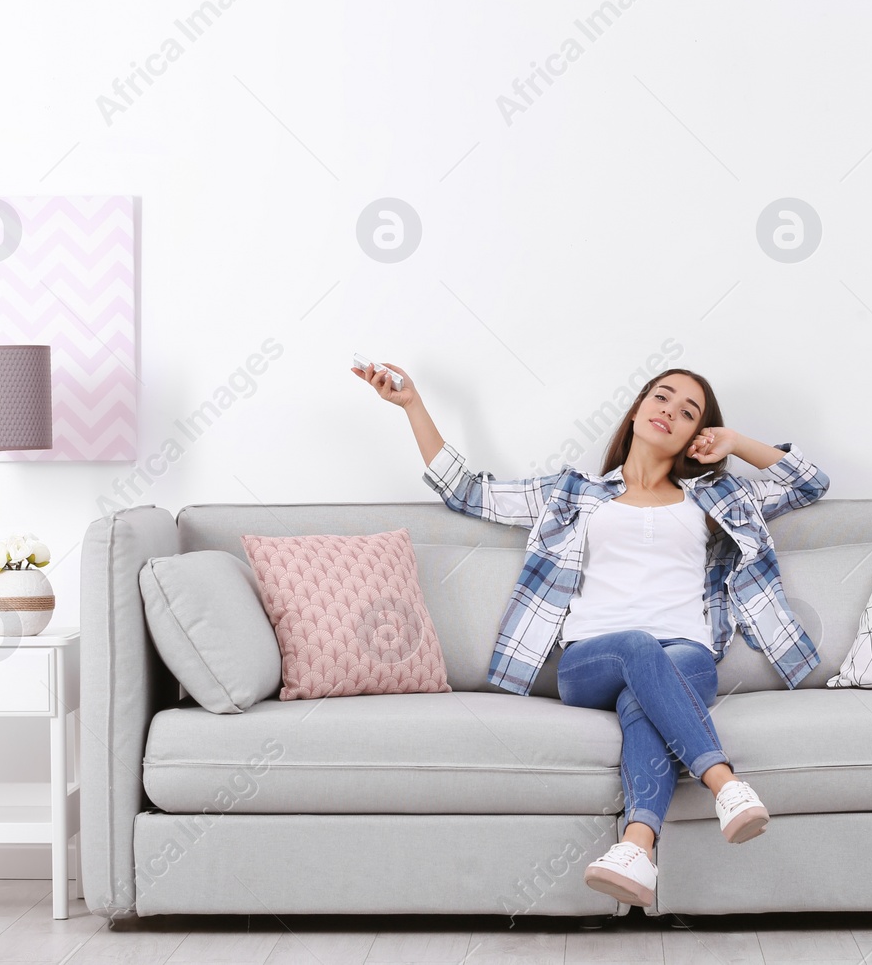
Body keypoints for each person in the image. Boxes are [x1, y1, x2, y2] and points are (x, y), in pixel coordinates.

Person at [354, 360, 829, 910]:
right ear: (638, 409)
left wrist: (736, 443)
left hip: (689, 654)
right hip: (590, 661)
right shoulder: (571, 492)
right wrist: (413, 404)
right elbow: (466, 492)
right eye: (662, 397)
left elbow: (809, 483)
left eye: (688, 412)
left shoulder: (715, 499)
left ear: (697, 433)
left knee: (642, 699)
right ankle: (725, 783)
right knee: (636, 645)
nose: (669, 412)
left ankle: (635, 849)